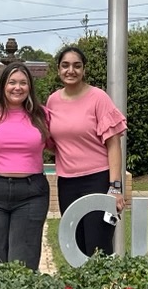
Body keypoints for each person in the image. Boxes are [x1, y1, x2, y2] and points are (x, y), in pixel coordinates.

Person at [42, 43, 126, 259]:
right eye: (65, 66)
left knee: (98, 247)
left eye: (77, 66)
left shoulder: (98, 98)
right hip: (67, 183)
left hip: (97, 180)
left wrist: (115, 188)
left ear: (84, 70)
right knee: (75, 246)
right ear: (58, 69)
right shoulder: (52, 100)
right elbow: (53, 142)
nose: (71, 71)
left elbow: (114, 144)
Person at [0, 60, 52, 268]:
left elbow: (60, 144)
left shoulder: (42, 115)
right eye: (12, 82)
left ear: (30, 87)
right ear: (3, 85)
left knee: (24, 262)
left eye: (23, 83)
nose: (17, 87)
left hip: (32, 193)